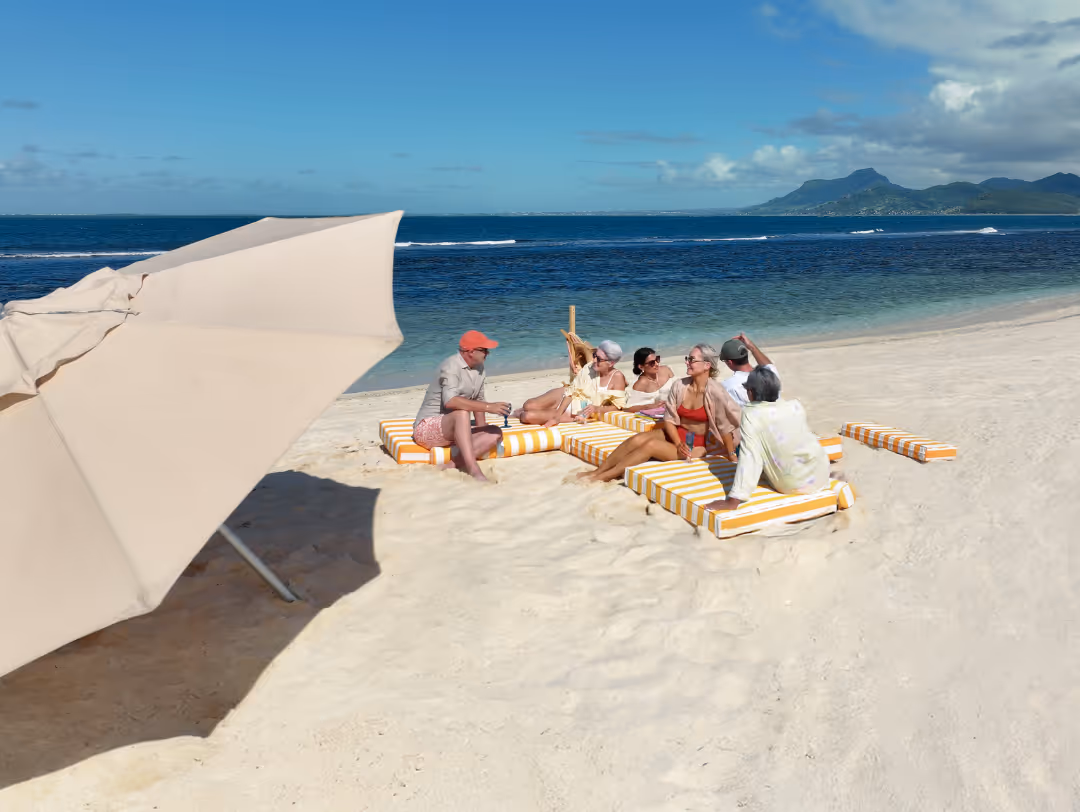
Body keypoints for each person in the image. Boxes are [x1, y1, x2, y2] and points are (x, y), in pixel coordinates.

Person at [577, 343, 741, 483]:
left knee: (650, 446)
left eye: (692, 359)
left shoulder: (715, 392)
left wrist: (731, 455)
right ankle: (598, 471)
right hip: (675, 435)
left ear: (707, 365)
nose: (687, 363)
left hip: (697, 444)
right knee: (637, 439)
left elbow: (725, 427)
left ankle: (604, 477)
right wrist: (677, 443)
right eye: (687, 358)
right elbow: (669, 419)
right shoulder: (680, 385)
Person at [705, 366, 829, 511]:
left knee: (757, 455)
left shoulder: (752, 414)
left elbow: (749, 457)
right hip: (821, 473)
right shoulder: (795, 406)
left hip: (795, 484)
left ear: (750, 392)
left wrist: (733, 500)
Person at [413, 329, 511, 482]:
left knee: (495, 432)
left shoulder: (479, 367)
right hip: (427, 427)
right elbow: (450, 401)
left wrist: (482, 431)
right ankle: (473, 469)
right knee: (461, 412)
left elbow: (478, 400)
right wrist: (488, 407)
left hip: (454, 429)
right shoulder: (451, 367)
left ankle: (452, 464)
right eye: (484, 350)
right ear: (471, 351)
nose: (487, 354)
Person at [518, 339, 627, 426]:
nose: (594, 360)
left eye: (599, 359)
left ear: (611, 363)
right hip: (566, 395)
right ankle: (547, 410)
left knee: (526, 416)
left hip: (578, 409)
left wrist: (596, 408)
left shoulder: (617, 378)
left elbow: (618, 406)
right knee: (528, 405)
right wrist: (557, 415)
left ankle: (542, 411)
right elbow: (571, 391)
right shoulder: (589, 367)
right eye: (594, 355)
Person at [719, 333, 779, 406]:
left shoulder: (727, 386)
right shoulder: (770, 375)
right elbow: (769, 365)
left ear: (729, 362)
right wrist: (751, 346)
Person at [623, 347, 676, 413]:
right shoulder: (642, 383)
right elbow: (628, 409)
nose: (656, 364)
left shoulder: (666, 370)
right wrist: (648, 407)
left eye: (657, 359)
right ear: (641, 367)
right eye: (652, 363)